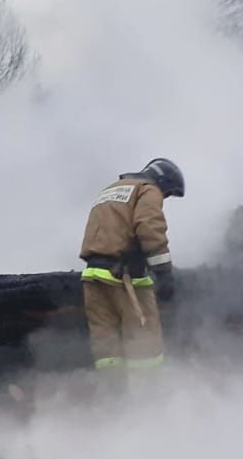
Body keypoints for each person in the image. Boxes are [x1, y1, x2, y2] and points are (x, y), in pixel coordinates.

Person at [78, 158, 184, 375]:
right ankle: (149, 397)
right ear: (162, 182)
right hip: (125, 280)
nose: (164, 197)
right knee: (145, 344)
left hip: (93, 277)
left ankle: (114, 399)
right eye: (167, 193)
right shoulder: (148, 190)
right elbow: (149, 229)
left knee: (107, 347)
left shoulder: (112, 190)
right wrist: (164, 275)